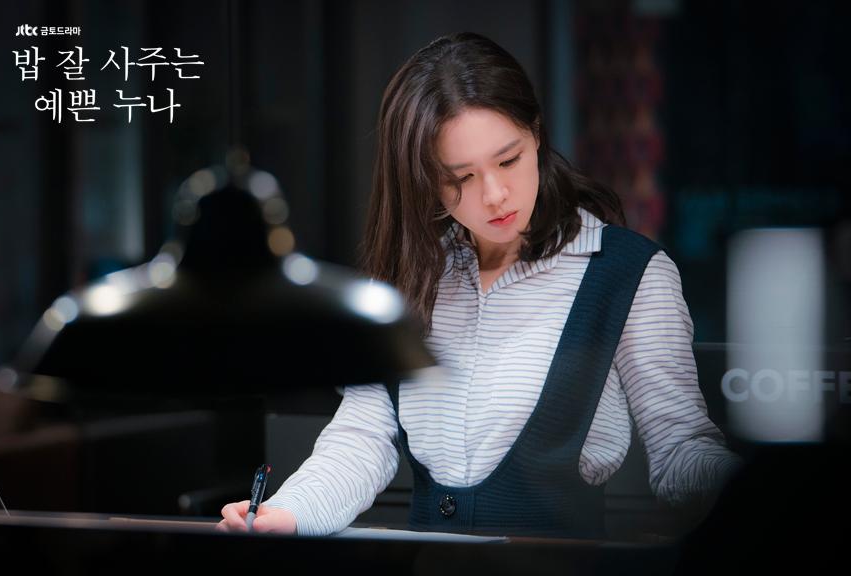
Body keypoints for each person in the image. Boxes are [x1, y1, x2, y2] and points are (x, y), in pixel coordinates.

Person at [218, 31, 742, 538]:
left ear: (537, 134)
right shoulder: (410, 275)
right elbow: (361, 438)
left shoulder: (628, 273)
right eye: (460, 178)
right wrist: (286, 514)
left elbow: (680, 446)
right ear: (424, 179)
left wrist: (758, 495)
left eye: (509, 159)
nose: (494, 195)